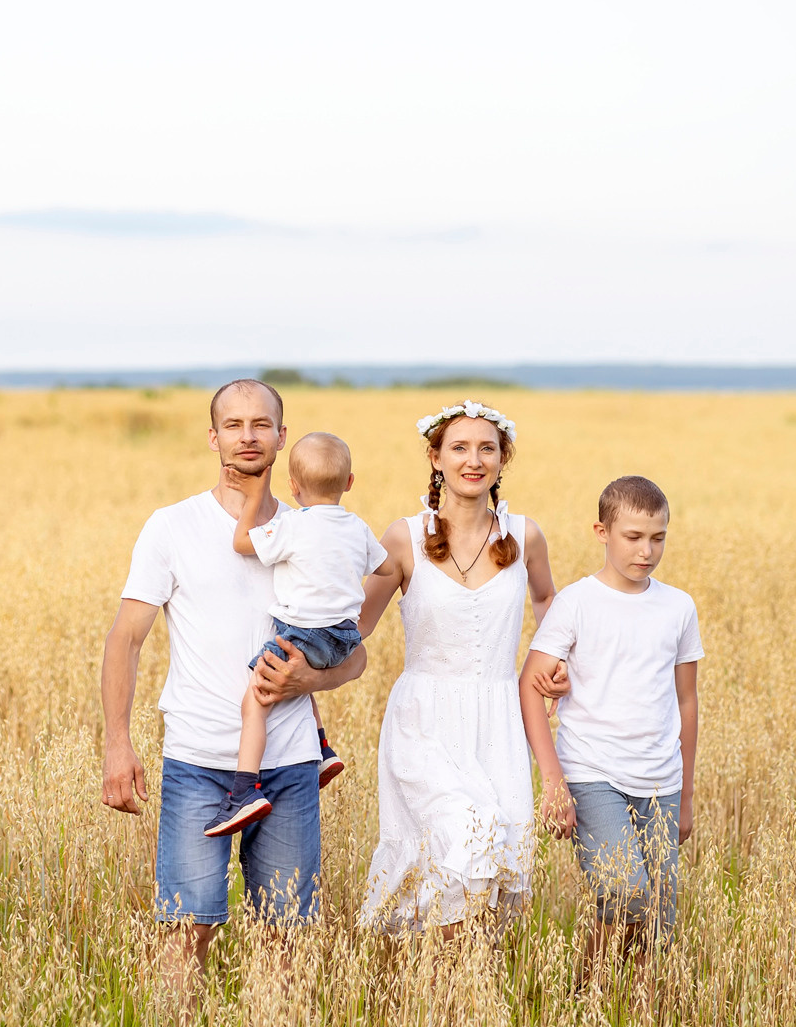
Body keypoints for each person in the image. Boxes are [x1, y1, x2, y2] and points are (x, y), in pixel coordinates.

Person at [100, 379, 368, 978]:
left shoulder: (314, 534)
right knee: (185, 932)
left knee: (287, 943)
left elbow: (354, 656)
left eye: (260, 424)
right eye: (234, 424)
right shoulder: (171, 527)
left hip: (292, 765)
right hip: (198, 760)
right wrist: (118, 744)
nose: (247, 436)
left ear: (281, 435)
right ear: (213, 436)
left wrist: (308, 682)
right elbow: (125, 640)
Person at [355, 399, 562, 933]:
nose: (474, 460)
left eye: (487, 449)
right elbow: (356, 625)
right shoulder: (403, 538)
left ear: (502, 459)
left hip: (498, 719)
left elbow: (549, 607)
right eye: (460, 448)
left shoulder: (525, 535)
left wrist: (556, 661)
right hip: (423, 718)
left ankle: (460, 1002)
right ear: (436, 457)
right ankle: (421, 985)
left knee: (492, 870)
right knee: (467, 835)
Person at [518, 475, 702, 974]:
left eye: (658, 538)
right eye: (633, 537)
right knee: (626, 890)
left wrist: (684, 796)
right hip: (593, 772)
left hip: (661, 779)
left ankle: (627, 1013)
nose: (647, 551)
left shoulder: (679, 607)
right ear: (602, 531)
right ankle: (584, 992)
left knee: (658, 921)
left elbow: (687, 701)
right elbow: (530, 686)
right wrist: (553, 781)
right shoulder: (576, 603)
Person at [208, 431, 388, 837]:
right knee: (300, 678)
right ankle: (322, 749)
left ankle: (244, 790)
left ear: (292, 486)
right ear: (349, 483)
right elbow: (387, 569)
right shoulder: (357, 526)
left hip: (302, 633)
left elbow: (241, 542)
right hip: (342, 637)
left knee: (256, 699)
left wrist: (256, 494)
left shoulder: (292, 524)